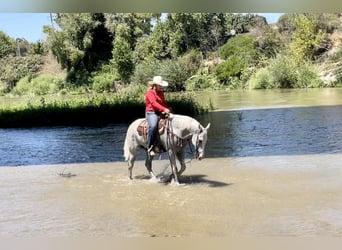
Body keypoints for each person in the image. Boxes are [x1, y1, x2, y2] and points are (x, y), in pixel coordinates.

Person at [145, 76, 171, 156]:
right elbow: (153, 103)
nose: (161, 87)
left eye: (161, 85)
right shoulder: (150, 93)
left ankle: (168, 143)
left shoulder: (161, 93)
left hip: (160, 112)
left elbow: (163, 103)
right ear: (155, 85)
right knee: (153, 126)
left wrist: (167, 109)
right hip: (151, 112)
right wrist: (164, 109)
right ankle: (150, 147)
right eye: (160, 85)